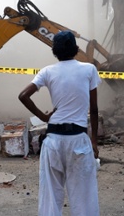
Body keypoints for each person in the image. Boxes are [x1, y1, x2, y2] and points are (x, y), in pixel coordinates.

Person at [18, 30, 101, 216]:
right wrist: (94, 142)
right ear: (76, 49)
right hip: (78, 140)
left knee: (50, 199)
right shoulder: (89, 69)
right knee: (83, 200)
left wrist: (44, 116)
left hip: (53, 141)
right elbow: (94, 109)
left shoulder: (47, 71)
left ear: (54, 51)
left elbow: (23, 96)